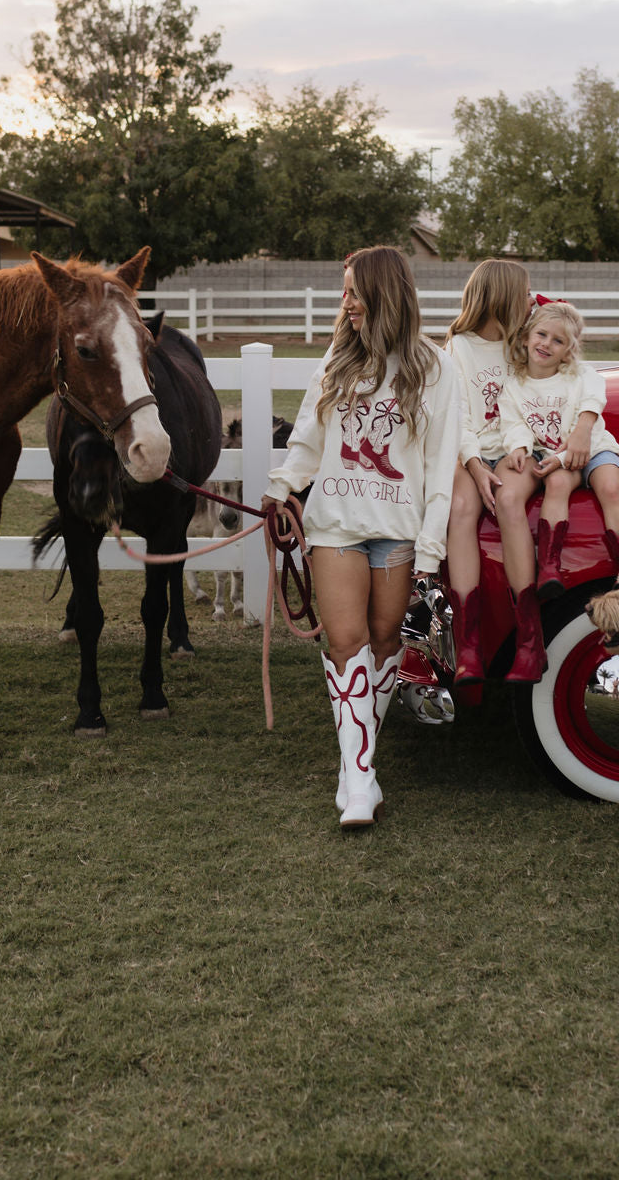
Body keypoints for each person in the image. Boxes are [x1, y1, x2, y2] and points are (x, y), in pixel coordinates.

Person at [261, 246, 462, 830]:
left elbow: (441, 463)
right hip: (336, 525)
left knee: (383, 644)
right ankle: (360, 782)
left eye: (354, 291)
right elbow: (308, 434)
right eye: (344, 292)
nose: (345, 304)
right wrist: (283, 489)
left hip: (398, 530)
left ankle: (358, 768)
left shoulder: (434, 368)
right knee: (346, 643)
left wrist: (429, 550)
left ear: (384, 293)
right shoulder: (338, 360)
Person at [498, 298, 619, 624]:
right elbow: (514, 424)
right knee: (557, 483)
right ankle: (550, 566)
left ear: (569, 349)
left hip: (595, 448)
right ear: (525, 337)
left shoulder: (580, 374)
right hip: (557, 458)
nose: (547, 344)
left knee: (609, 485)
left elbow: (594, 399)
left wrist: (582, 430)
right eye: (541, 335)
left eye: (558, 340)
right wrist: (519, 447)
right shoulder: (514, 387)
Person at [442, 258, 534, 685]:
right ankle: (470, 646)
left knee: (510, 505)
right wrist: (476, 467)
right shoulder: (459, 347)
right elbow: (456, 417)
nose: (529, 298)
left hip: (516, 447)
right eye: (523, 292)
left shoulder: (525, 343)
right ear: (501, 298)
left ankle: (529, 639)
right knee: (461, 506)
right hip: (470, 449)